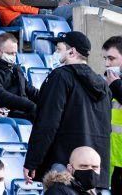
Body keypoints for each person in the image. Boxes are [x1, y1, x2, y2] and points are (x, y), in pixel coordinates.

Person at [25, 32, 110, 188]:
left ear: (72, 51)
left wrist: (32, 161)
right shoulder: (103, 84)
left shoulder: (60, 77)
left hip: (64, 168)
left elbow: (47, 123)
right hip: (94, 171)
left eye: (59, 49)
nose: (55, 53)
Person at [0, 32, 39, 122]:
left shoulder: (16, 68)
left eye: (15, 53)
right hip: (8, 114)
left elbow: (29, 89)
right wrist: (30, 106)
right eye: (10, 53)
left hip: (24, 110)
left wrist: (49, 97)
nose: (14, 57)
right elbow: (1, 95)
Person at [101, 37, 122, 194]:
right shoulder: (110, 83)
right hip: (115, 162)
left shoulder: (114, 84)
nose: (107, 63)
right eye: (105, 58)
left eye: (112, 58)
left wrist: (116, 87)